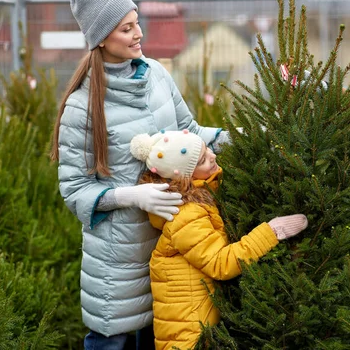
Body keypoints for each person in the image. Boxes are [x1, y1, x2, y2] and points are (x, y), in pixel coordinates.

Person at [51, 0, 231, 349]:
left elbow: (192, 134)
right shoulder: (82, 107)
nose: (139, 34)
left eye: (137, 23)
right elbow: (74, 191)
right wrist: (133, 195)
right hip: (117, 259)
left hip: (169, 246)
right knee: (113, 341)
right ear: (101, 38)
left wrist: (252, 134)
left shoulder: (157, 76)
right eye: (126, 28)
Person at [129, 129, 308, 349]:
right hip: (189, 337)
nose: (213, 156)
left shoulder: (199, 197)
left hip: (200, 327)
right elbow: (220, 264)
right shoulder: (186, 214)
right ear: (186, 176)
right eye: (203, 159)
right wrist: (271, 231)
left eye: (207, 150)